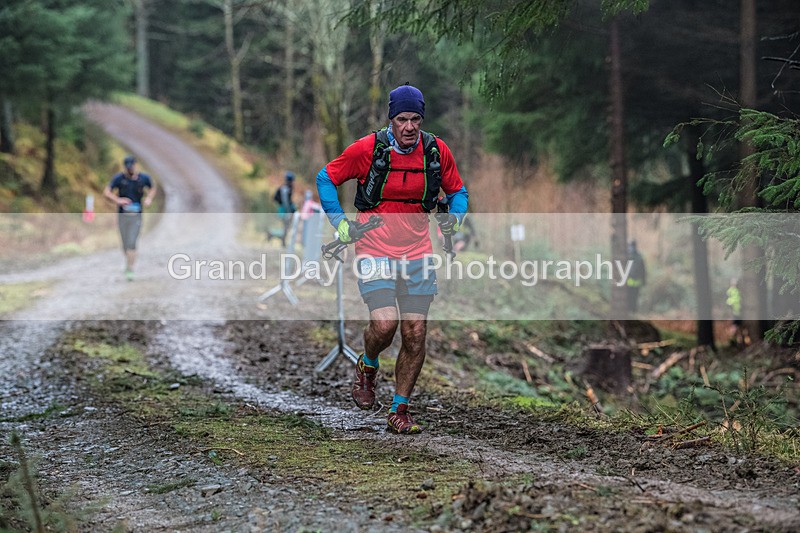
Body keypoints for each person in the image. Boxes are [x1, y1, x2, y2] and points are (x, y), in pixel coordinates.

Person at [316, 84, 469, 434]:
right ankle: (368, 366)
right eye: (402, 119)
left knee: (415, 331)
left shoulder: (435, 151)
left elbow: (458, 191)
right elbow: (326, 177)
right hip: (373, 245)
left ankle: (400, 409)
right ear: (391, 119)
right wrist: (340, 223)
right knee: (385, 324)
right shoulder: (368, 149)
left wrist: (455, 217)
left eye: (416, 119)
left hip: (417, 251)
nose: (410, 127)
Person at [103, 155, 156, 281]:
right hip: (123, 216)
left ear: (135, 165)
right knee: (125, 244)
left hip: (136, 216)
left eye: (131, 166)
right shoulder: (119, 179)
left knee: (132, 242)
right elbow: (106, 192)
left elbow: (152, 188)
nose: (130, 169)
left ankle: (130, 268)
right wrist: (118, 200)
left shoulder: (143, 178)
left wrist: (149, 199)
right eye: (128, 167)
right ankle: (128, 261)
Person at [273, 171, 297, 247]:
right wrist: (289, 211)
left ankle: (281, 240)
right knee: (285, 227)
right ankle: (279, 239)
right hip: (284, 211)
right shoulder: (285, 189)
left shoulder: (285, 188)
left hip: (283, 210)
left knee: (285, 227)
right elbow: (286, 202)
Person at [726, 278, 749, 346]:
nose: (735, 284)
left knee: (741, 327)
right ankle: (732, 340)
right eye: (734, 283)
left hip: (740, 313)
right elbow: (729, 302)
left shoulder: (738, 291)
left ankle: (740, 342)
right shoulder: (731, 291)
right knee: (736, 327)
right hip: (735, 313)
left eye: (736, 283)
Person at [626, 240, 646, 313]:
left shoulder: (639, 257)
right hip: (629, 282)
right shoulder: (626, 256)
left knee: (634, 298)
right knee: (629, 298)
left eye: (631, 246)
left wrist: (644, 281)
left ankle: (633, 312)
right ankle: (630, 311)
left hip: (636, 282)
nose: (630, 248)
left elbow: (643, 270)